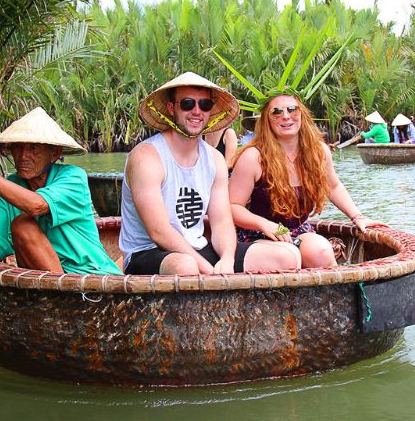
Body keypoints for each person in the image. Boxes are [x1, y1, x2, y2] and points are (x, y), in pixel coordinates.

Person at [118, 72, 297, 276]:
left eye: (204, 105)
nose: (196, 111)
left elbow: (221, 222)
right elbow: (158, 231)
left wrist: (228, 259)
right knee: (186, 266)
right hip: (148, 253)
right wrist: (209, 271)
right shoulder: (146, 156)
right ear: (171, 108)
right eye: (187, 104)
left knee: (287, 256)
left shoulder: (214, 159)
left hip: (197, 249)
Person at [0, 107, 119, 290]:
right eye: (18, 147)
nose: (23, 156)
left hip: (93, 276)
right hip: (49, 281)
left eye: (34, 148)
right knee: (22, 226)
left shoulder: (73, 177)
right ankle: (57, 295)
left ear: (55, 154)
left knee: (22, 224)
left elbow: (36, 206)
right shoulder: (12, 186)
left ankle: (63, 296)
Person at [230, 94, 387, 269]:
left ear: (302, 114)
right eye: (276, 112)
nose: (286, 116)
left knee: (321, 251)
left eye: (292, 109)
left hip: (298, 230)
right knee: (288, 256)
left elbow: (333, 186)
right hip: (257, 234)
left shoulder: (318, 152)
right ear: (267, 120)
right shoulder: (253, 157)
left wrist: (357, 216)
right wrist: (265, 224)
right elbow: (232, 206)